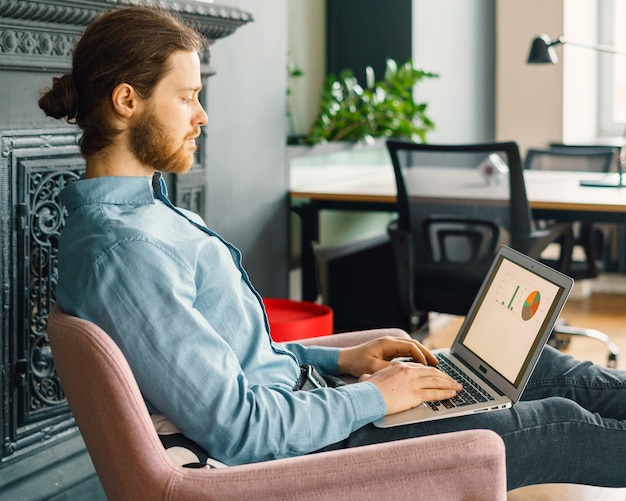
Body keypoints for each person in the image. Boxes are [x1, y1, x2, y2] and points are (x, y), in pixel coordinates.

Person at [39, 5, 626, 491]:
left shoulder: (145, 215)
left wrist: (340, 361)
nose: (203, 115)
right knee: (556, 424)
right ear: (126, 101)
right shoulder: (126, 253)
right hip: (309, 451)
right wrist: (374, 396)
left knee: (539, 368)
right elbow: (242, 429)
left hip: (313, 408)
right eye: (187, 96)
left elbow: (241, 363)